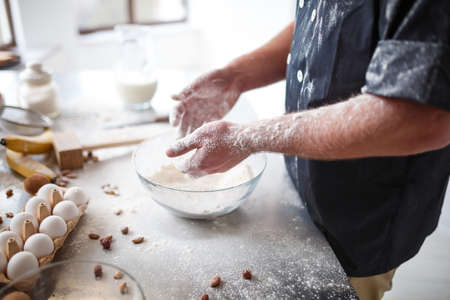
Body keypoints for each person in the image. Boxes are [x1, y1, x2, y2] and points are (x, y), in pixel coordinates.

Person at [166, 1, 450, 299]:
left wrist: (246, 138)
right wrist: (236, 75)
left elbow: (421, 116)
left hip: (360, 218)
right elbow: (322, 28)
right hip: (302, 197)